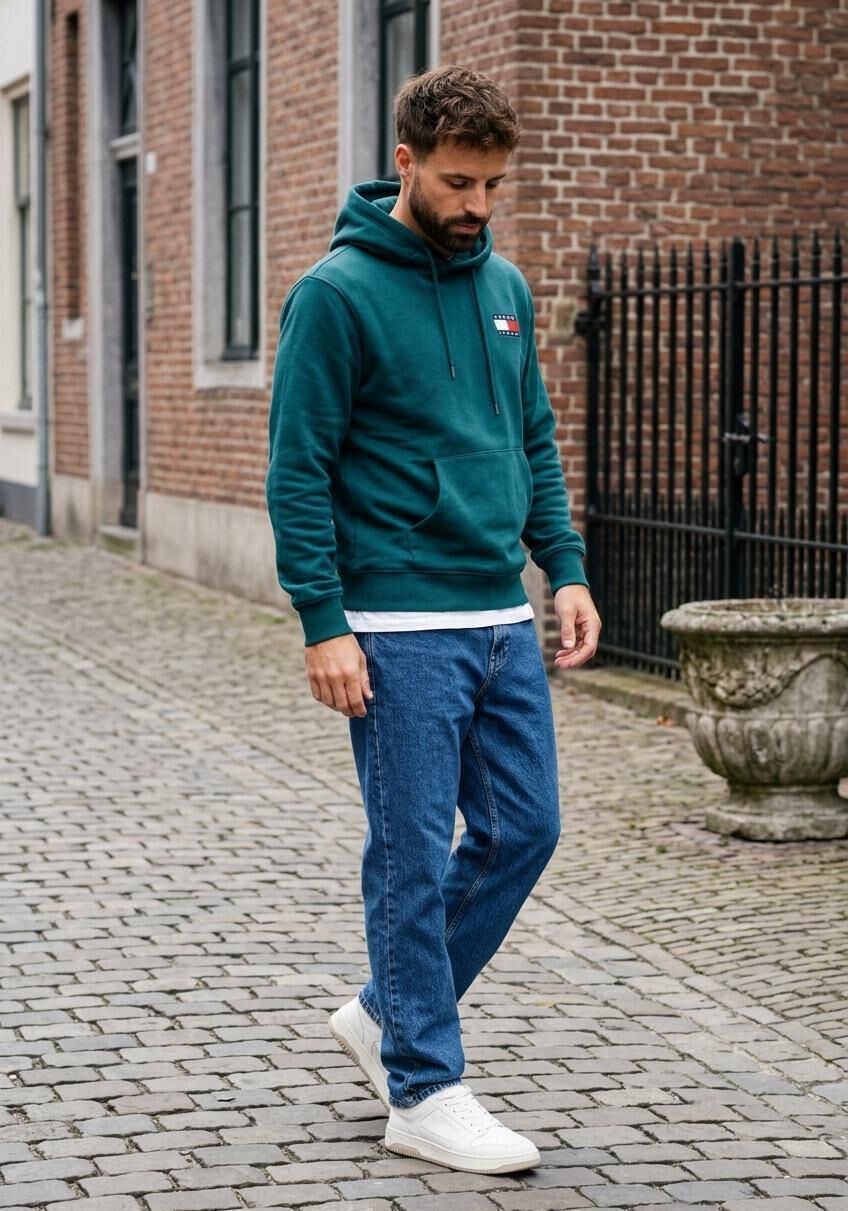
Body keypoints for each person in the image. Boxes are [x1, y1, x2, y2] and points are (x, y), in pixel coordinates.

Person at [265, 64, 601, 1175]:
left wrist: (564, 567)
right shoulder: (335, 295)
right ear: (405, 162)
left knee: (525, 830)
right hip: (394, 624)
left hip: (500, 614)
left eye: (493, 183)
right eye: (458, 182)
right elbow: (298, 471)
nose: (477, 204)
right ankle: (420, 1085)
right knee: (409, 854)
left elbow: (531, 437)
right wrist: (322, 620)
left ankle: (383, 1012)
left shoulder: (502, 283)